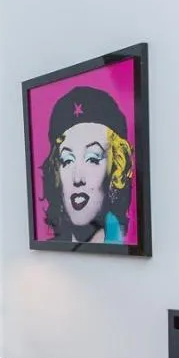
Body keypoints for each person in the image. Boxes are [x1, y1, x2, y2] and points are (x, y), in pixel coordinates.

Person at [39, 85, 136, 244]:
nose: (78, 178)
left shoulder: (125, 244)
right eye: (67, 160)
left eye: (93, 159)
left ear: (116, 168)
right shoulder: (49, 250)